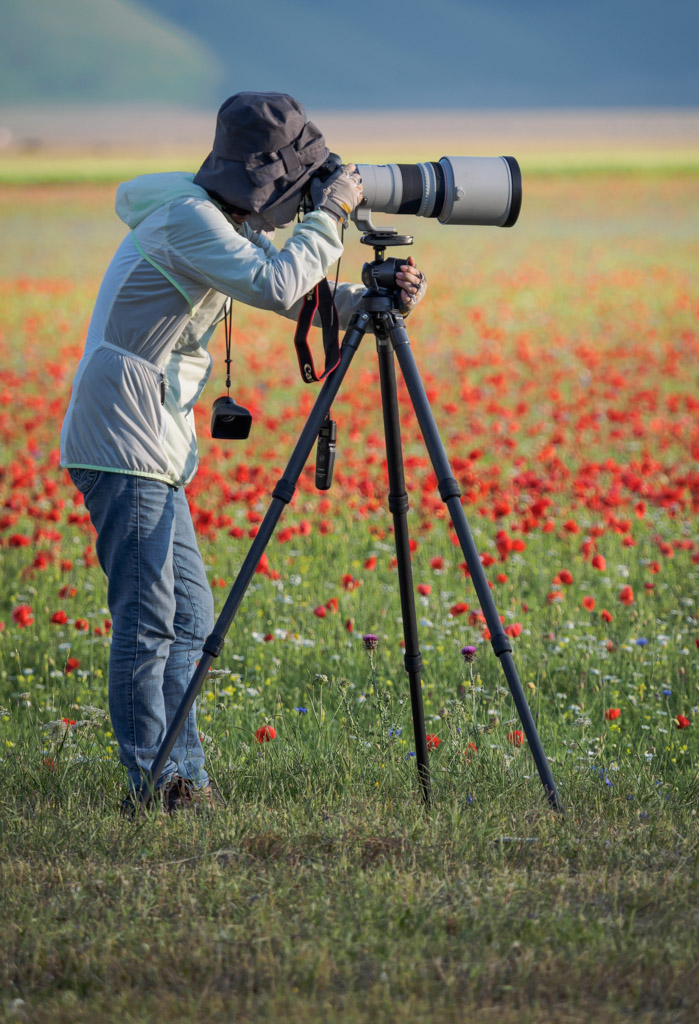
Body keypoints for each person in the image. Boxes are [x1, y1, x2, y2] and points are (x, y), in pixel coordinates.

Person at [59, 92, 426, 816]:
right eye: (299, 189)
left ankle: (183, 778)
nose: (298, 207)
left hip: (149, 439)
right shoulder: (187, 220)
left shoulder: (211, 221)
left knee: (189, 621)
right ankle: (153, 783)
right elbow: (277, 279)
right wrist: (334, 212)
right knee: (149, 620)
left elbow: (296, 296)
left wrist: (375, 297)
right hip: (122, 437)